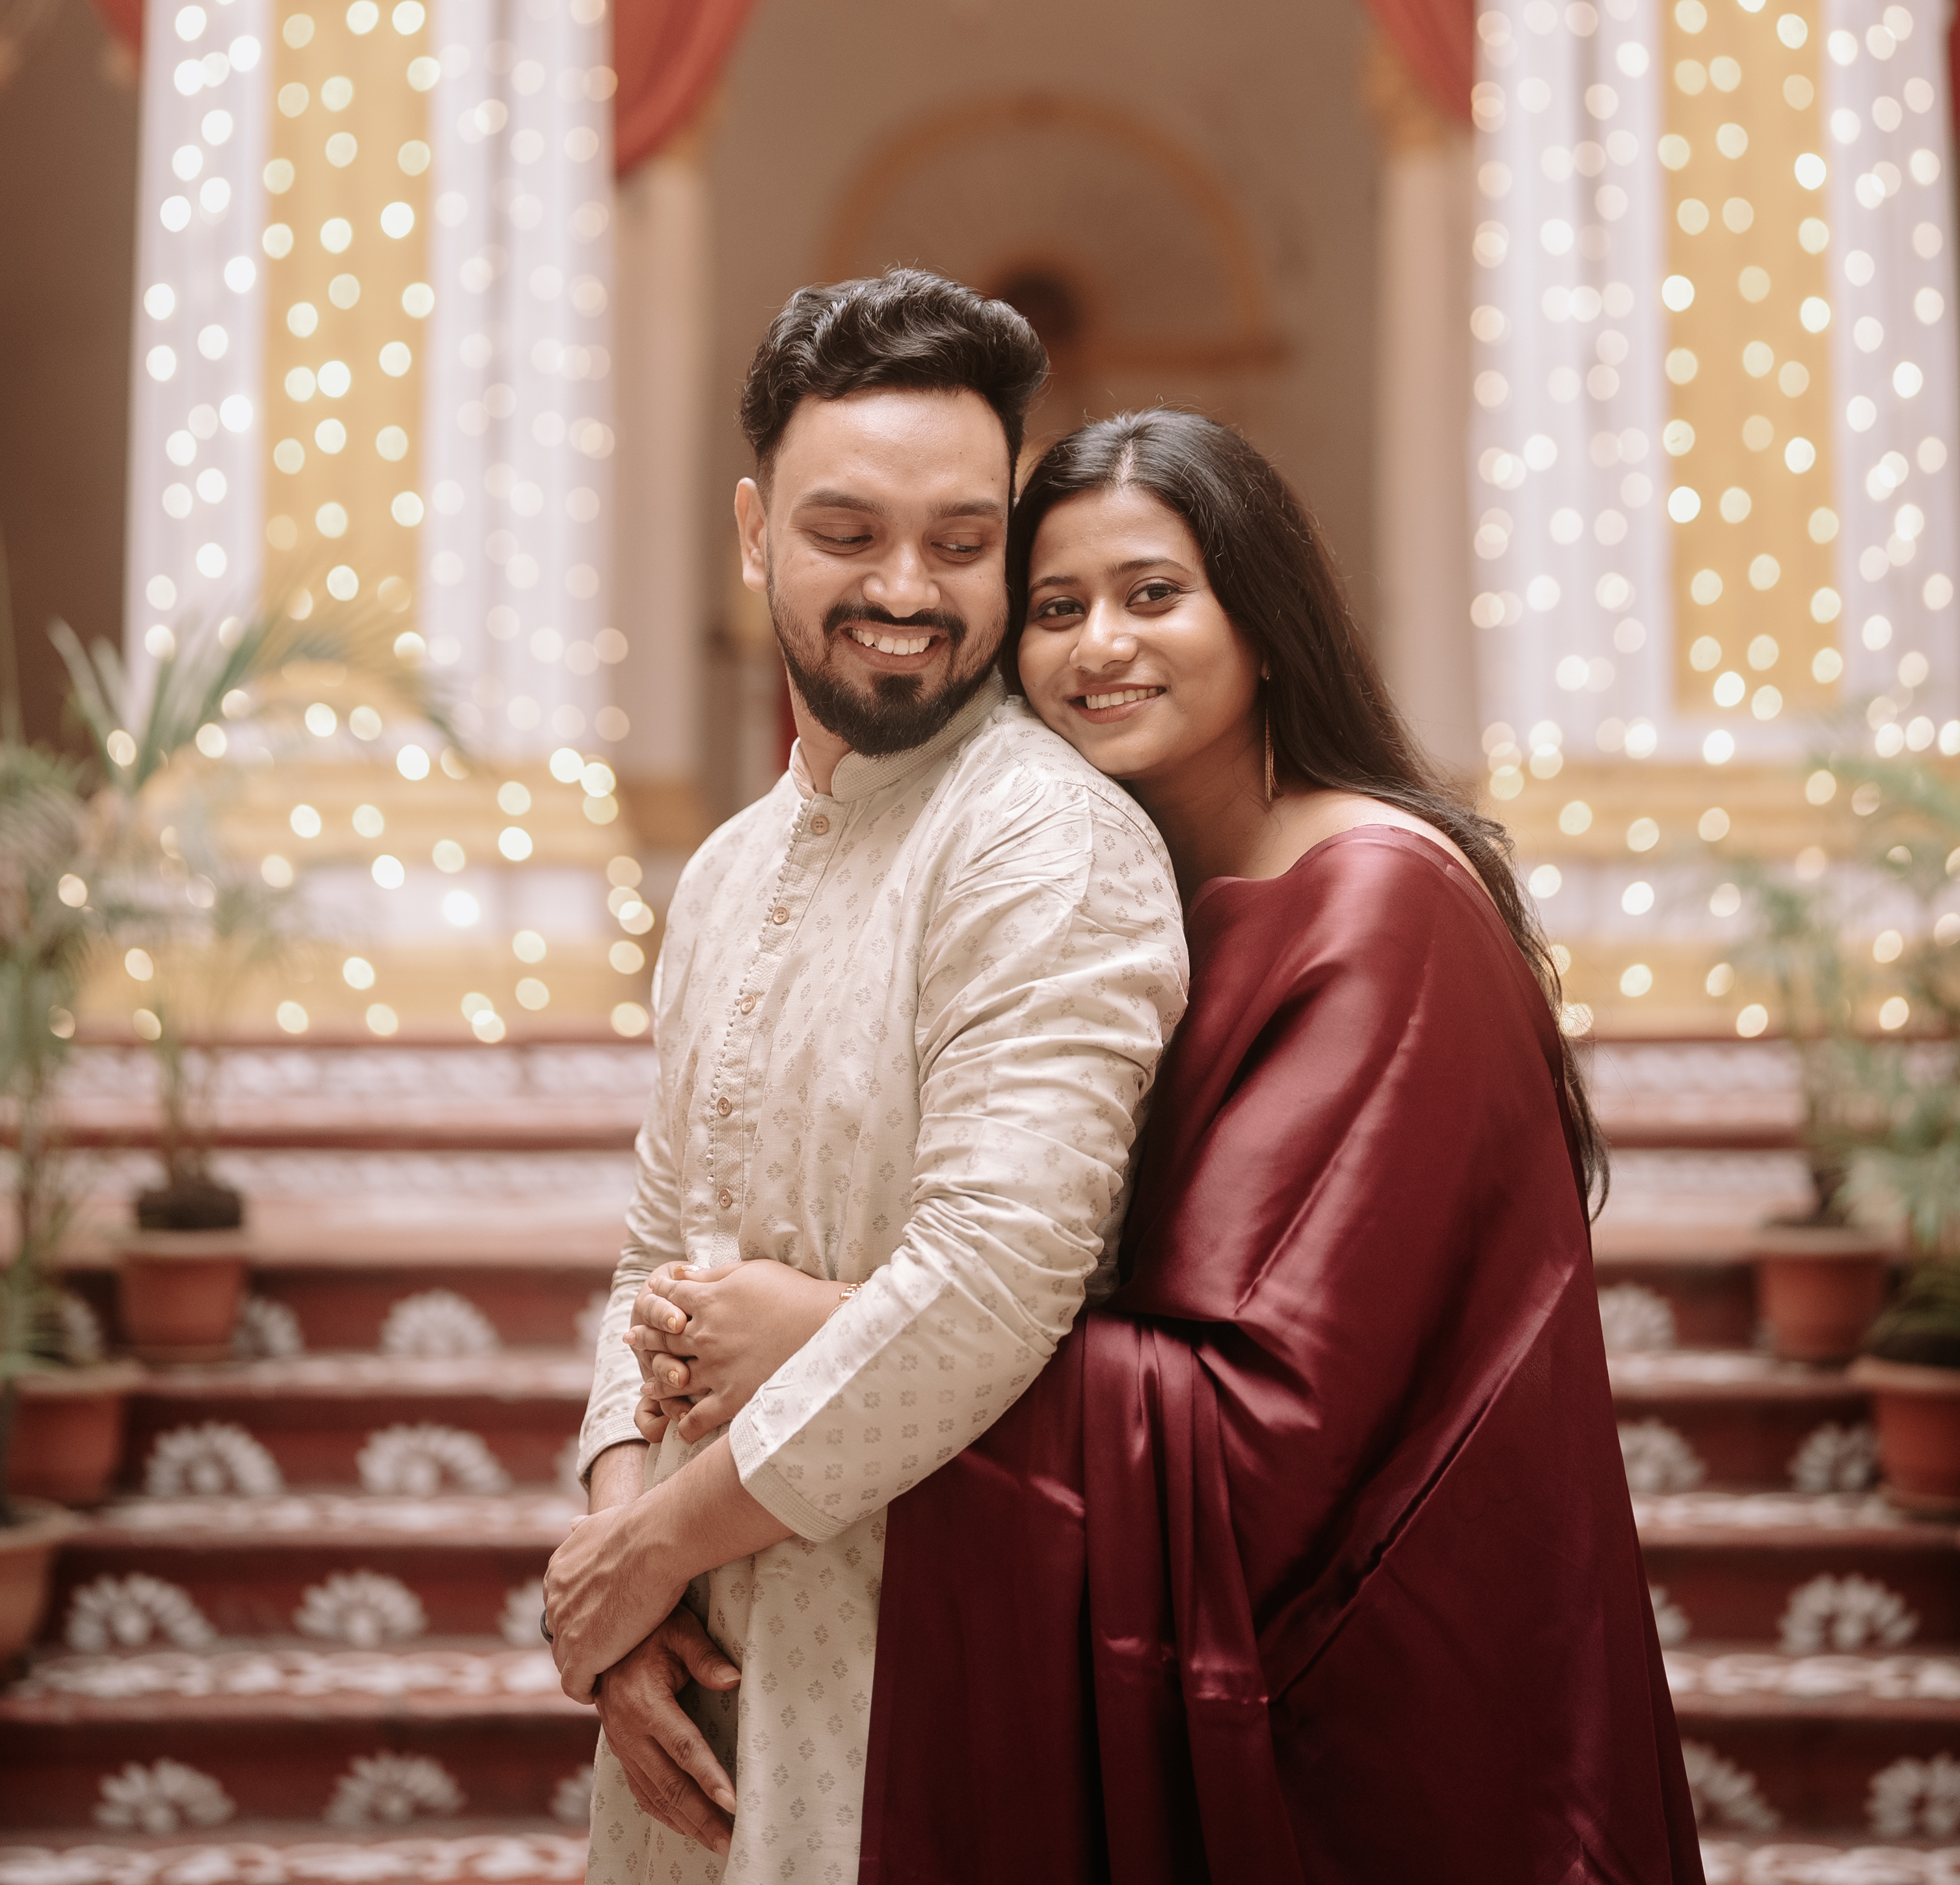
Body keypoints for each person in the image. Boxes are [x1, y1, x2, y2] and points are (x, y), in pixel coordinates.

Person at [637, 408, 1704, 1884]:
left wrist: (831, 1334)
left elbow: (1270, 1430)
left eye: (1154, 595)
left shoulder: (1380, 911)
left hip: (1371, 1687)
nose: (1097, 648)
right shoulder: (1114, 888)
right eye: (1057, 608)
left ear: (1260, 615)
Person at [544, 276, 1188, 1884]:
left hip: (928, 1652)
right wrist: (627, 1564)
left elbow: (988, 1288)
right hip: (694, 1661)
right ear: (755, 532)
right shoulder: (723, 868)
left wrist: (639, 1557)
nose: (906, 589)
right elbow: (650, 1258)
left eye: (962, 543)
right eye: (848, 533)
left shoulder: (1042, 841)